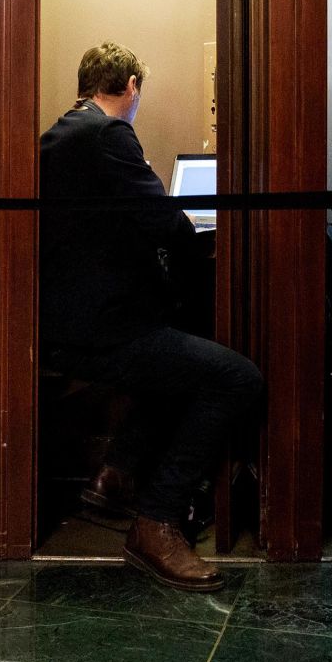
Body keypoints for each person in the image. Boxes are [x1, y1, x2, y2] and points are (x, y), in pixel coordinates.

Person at [40, 42, 262, 592]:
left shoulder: (59, 133)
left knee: (178, 361)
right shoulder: (109, 133)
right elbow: (163, 218)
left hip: (67, 319)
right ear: (132, 86)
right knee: (237, 378)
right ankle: (157, 521)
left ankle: (116, 473)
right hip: (103, 328)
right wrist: (199, 235)